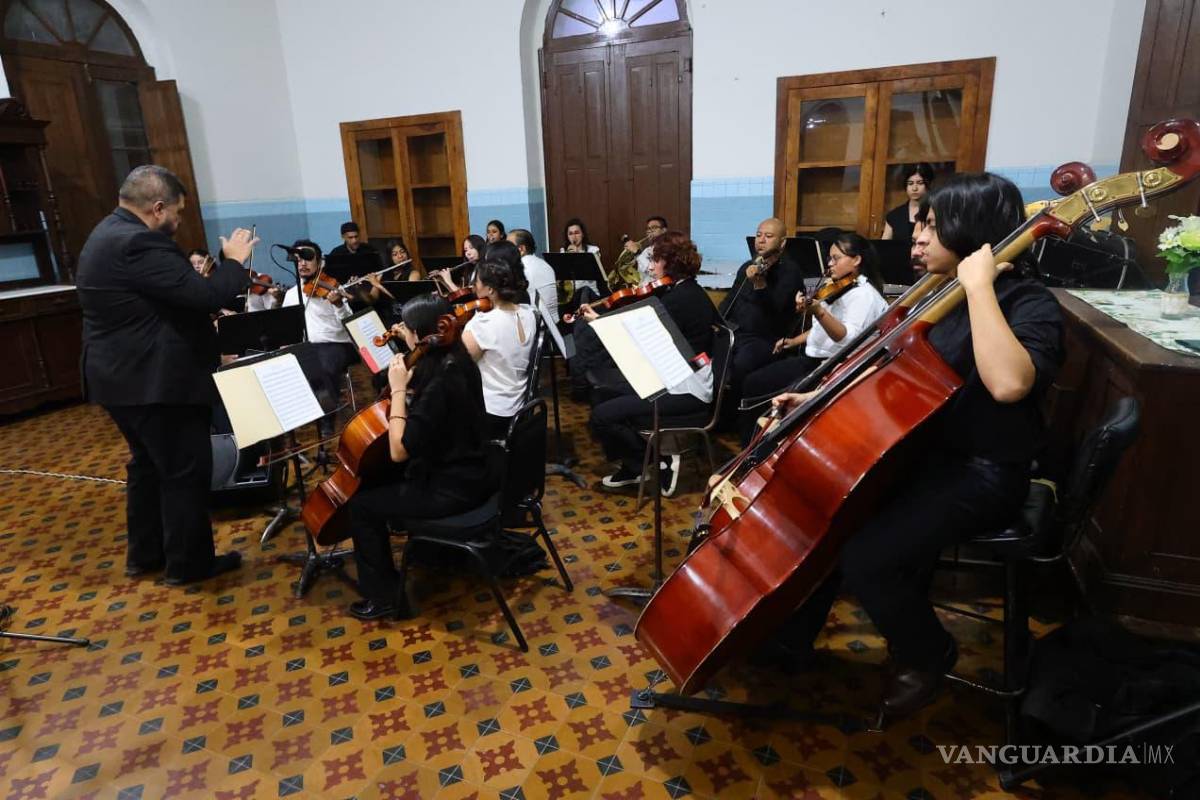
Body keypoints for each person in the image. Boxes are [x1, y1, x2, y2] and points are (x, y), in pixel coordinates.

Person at [772, 172, 1064, 721]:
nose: (918, 237)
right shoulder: (939, 295)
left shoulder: (1025, 301)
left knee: (866, 558)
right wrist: (814, 399)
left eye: (933, 225)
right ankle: (790, 639)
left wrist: (980, 286)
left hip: (983, 474)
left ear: (973, 231)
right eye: (921, 224)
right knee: (828, 517)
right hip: (923, 456)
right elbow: (884, 374)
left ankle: (927, 653)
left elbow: (1009, 384)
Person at [76, 165, 254, 585]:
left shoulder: (105, 232)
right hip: (154, 381)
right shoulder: (141, 243)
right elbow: (206, 295)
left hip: (119, 378)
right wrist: (233, 262)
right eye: (177, 212)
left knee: (148, 467)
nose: (178, 222)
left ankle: (147, 555)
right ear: (157, 208)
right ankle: (189, 567)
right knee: (183, 471)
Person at [347, 294, 498, 620]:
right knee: (380, 480)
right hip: (478, 473)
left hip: (453, 490)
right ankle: (427, 550)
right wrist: (411, 337)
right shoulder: (459, 359)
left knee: (361, 506)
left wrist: (398, 389)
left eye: (411, 330)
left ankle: (385, 598)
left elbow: (398, 450)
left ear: (427, 334)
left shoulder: (439, 384)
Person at [587, 231, 721, 497]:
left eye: (655, 260)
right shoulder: (682, 290)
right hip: (673, 378)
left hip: (687, 391)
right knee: (601, 392)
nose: (649, 267)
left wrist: (599, 323)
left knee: (601, 416)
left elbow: (636, 339)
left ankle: (655, 463)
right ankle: (633, 464)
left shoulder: (679, 299)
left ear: (671, 262)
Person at [738, 231, 888, 444]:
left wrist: (818, 311)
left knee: (756, 386)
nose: (830, 264)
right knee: (753, 381)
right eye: (829, 258)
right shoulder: (841, 285)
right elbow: (821, 328)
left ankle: (755, 447)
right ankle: (752, 444)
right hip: (811, 358)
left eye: (836, 258)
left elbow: (846, 338)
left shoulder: (864, 295)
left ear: (856, 260)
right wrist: (793, 341)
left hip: (829, 367)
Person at [718, 217, 806, 400]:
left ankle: (735, 415)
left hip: (765, 338)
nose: (761, 240)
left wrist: (759, 283)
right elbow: (730, 300)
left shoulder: (790, 271)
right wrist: (717, 322)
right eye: (758, 235)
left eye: (768, 236)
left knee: (740, 364)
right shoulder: (747, 267)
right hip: (736, 331)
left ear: (782, 243)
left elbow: (774, 312)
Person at [280, 240, 357, 436]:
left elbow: (349, 324)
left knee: (323, 363)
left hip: (335, 343)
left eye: (308, 258)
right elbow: (286, 328)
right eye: (298, 260)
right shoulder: (291, 294)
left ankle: (326, 419)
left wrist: (339, 304)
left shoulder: (332, 287)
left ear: (320, 262)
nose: (302, 264)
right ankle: (289, 426)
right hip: (306, 346)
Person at [462, 260, 538, 438]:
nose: (473, 288)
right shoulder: (529, 313)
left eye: (477, 283)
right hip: (521, 406)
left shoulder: (483, 324)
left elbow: (461, 364)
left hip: (493, 411)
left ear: (490, 289)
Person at [507, 228, 559, 324]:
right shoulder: (545, 264)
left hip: (535, 327)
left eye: (509, 246)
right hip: (554, 325)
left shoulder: (521, 268)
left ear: (521, 249)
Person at [882, 163, 935, 244]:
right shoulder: (894, 215)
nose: (914, 188)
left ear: (929, 184)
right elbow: (883, 246)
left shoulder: (936, 211)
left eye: (920, 183)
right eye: (910, 183)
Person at [559, 217, 602, 303]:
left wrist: (578, 254)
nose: (574, 237)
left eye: (577, 233)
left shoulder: (593, 250)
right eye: (570, 234)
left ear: (583, 234)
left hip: (589, 294)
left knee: (585, 290)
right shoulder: (563, 251)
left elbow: (592, 273)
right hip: (571, 296)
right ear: (567, 236)